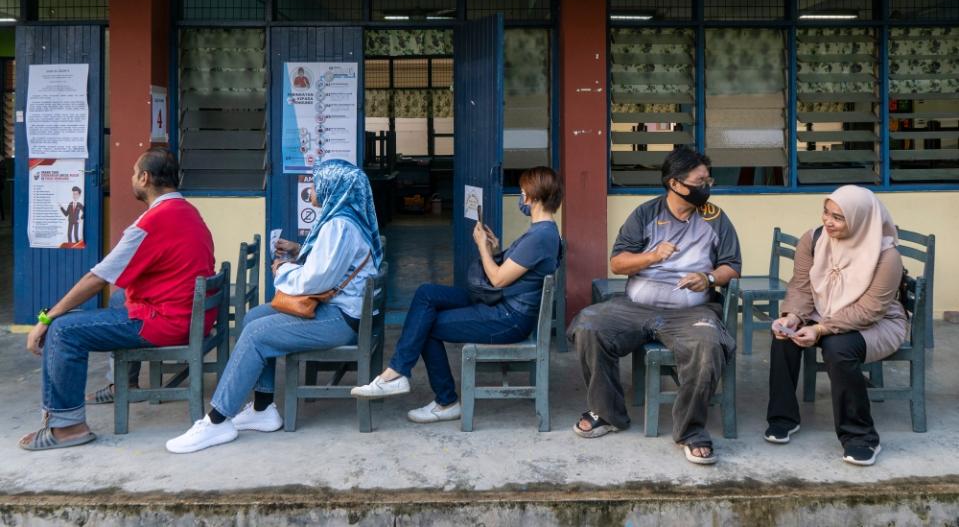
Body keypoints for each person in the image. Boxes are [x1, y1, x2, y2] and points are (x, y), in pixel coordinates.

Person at [166, 159, 382, 453]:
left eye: (317, 183)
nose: (312, 189)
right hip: (338, 311)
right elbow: (329, 267)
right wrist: (299, 253)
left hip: (338, 319)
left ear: (333, 187)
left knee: (257, 335)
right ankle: (263, 407)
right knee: (255, 316)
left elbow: (316, 280)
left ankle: (216, 421)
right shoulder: (342, 219)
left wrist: (283, 270)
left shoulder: (340, 225)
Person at [19, 147, 214, 451]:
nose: (132, 178)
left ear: (145, 178)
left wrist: (47, 318)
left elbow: (96, 278)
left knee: (64, 331)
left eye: (134, 173)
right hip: (189, 314)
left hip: (167, 321)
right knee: (118, 299)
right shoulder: (187, 210)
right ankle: (122, 384)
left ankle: (67, 427)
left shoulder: (152, 222)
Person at [567, 147, 741, 466]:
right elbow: (618, 262)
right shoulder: (646, 214)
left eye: (708, 180)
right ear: (675, 183)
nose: (707, 187)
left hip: (691, 312)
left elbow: (732, 265)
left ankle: (691, 430)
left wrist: (709, 277)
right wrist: (652, 256)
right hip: (636, 306)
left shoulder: (716, 218)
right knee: (588, 325)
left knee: (707, 345)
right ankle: (607, 413)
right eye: (700, 181)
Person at [350, 166, 563, 424]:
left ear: (531, 195)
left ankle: (444, 400)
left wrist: (482, 248)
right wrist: (494, 248)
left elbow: (496, 279)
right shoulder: (542, 232)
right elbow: (514, 272)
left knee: (425, 325)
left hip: (508, 317)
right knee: (427, 293)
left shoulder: (540, 236)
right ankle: (397, 372)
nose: (521, 197)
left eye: (522, 192)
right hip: (504, 304)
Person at [765, 185, 906, 467]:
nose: (828, 221)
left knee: (837, 347)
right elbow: (802, 287)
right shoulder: (814, 238)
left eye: (838, 217)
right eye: (826, 213)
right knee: (783, 335)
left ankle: (861, 437)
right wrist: (793, 316)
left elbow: (870, 310)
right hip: (822, 311)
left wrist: (820, 329)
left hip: (878, 323)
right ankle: (783, 418)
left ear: (861, 220)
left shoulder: (887, 257)